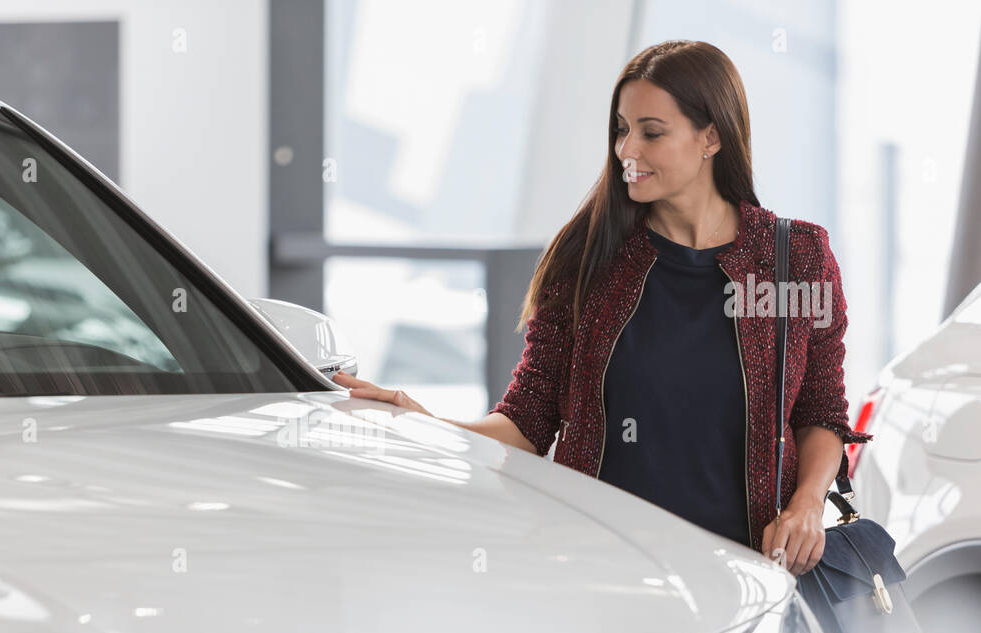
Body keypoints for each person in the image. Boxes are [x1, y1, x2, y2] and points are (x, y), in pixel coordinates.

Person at [333, 39, 871, 576]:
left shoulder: (796, 257)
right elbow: (529, 418)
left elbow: (820, 410)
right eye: (621, 129)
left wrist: (806, 508)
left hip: (750, 581)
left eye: (650, 132)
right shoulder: (586, 260)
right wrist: (428, 426)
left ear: (712, 137)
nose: (625, 150)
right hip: (600, 575)